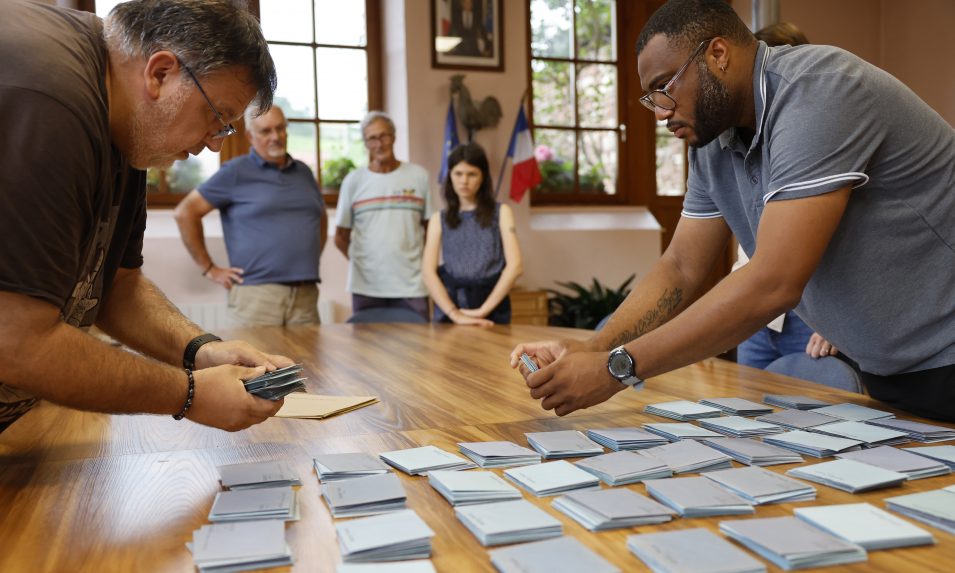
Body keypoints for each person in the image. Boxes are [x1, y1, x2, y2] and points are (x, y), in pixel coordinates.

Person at [511, 0, 955, 421]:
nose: (660, 113)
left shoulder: (817, 91)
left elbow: (774, 282)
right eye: (651, 99)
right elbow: (681, 267)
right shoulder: (711, 143)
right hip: (891, 371)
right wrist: (593, 349)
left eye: (664, 88)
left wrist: (616, 368)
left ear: (717, 54)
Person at [0, 0, 292, 434]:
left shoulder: (130, 125)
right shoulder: (51, 99)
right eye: (217, 118)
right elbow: (16, 341)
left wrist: (203, 352)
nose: (214, 144)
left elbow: (117, 284)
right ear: (160, 73)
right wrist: (190, 394)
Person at [173, 105, 327, 327]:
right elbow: (185, 212)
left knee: (308, 363)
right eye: (266, 131)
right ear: (250, 136)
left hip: (306, 295)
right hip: (256, 298)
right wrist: (210, 269)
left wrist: (309, 254)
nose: (276, 137)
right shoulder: (235, 171)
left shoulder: (303, 172)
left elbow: (319, 216)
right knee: (254, 363)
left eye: (280, 129)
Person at [734, 21, 817, 368]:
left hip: (810, 315)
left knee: (810, 415)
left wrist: (837, 328)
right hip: (754, 313)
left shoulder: (820, 137)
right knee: (746, 411)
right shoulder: (741, 139)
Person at [334, 111, 434, 322]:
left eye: (384, 136)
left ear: (394, 137)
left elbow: (431, 230)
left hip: (412, 286)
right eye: (372, 138)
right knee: (365, 351)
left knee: (418, 350)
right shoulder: (353, 181)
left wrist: (422, 263)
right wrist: (365, 263)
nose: (379, 144)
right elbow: (340, 236)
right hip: (366, 287)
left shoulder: (419, 176)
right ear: (366, 143)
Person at [423, 143, 522, 326]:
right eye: (458, 173)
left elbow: (515, 266)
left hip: (492, 303)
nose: (464, 181)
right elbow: (428, 272)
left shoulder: (502, 212)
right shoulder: (439, 218)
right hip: (451, 305)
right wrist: (454, 314)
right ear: (450, 176)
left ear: (483, 176)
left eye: (472, 174)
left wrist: (482, 311)